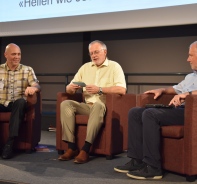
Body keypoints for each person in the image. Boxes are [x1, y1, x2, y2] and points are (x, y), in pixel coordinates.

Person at [114, 40, 197, 180]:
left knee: (150, 114)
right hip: (179, 110)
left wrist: (187, 95)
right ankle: (137, 160)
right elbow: (176, 88)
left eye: (191, 55)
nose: (187, 59)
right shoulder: (191, 76)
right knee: (135, 112)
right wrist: (162, 90)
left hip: (192, 113)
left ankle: (153, 167)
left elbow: (186, 93)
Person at [58, 40, 126, 164]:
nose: (94, 55)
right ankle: (72, 147)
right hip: (86, 106)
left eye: (96, 52)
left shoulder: (114, 66)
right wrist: (71, 88)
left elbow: (121, 89)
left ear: (104, 52)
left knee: (98, 105)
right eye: (91, 53)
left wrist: (100, 90)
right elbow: (68, 88)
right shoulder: (85, 68)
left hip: (104, 106)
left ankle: (86, 149)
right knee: (65, 104)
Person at [0, 43, 40, 159]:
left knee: (21, 102)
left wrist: (34, 88)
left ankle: (9, 143)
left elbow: (37, 85)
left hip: (17, 104)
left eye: (19, 54)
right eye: (13, 54)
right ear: (6, 55)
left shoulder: (27, 70)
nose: (17, 57)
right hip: (1, 102)